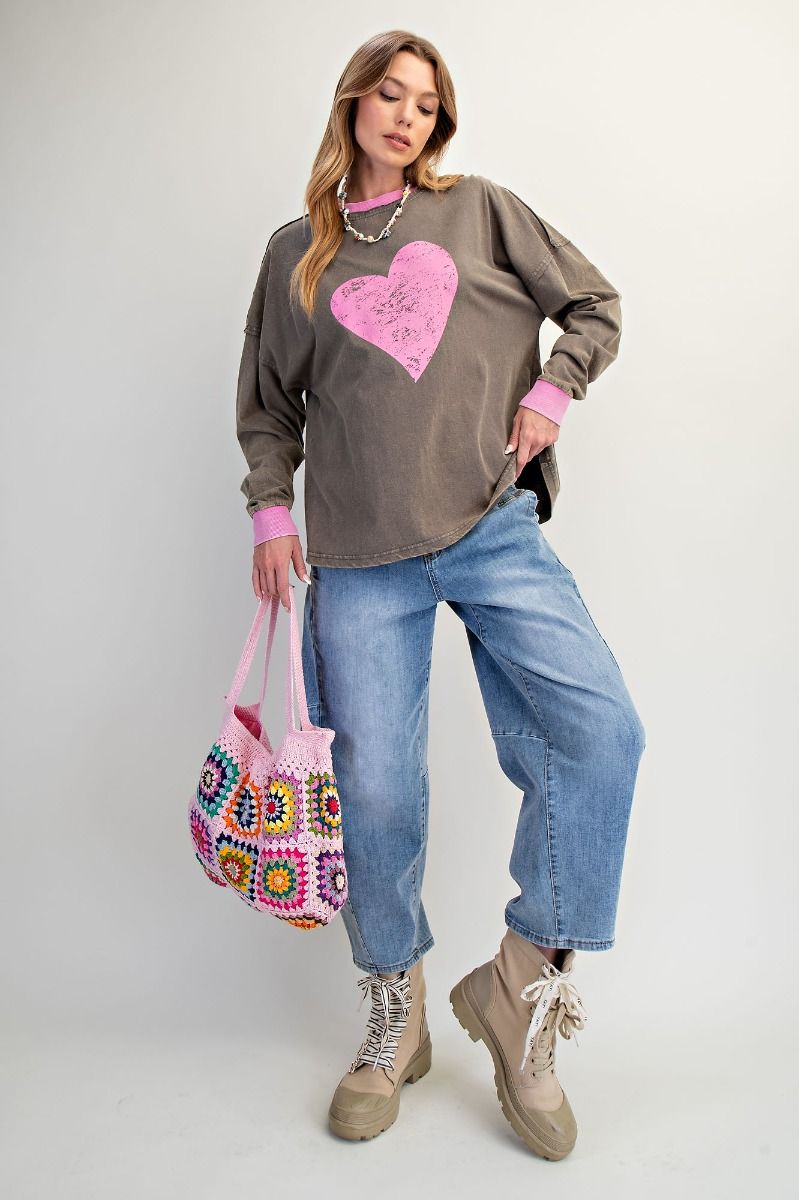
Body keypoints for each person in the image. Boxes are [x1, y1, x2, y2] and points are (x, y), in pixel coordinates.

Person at [235, 28, 646, 1160]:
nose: (408, 116)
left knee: (600, 732)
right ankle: (395, 1009)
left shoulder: (481, 213)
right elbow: (268, 405)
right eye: (390, 94)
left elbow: (594, 306)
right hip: (358, 556)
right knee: (374, 791)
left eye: (427, 102)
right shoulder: (296, 255)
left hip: (490, 526)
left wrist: (551, 394)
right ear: (352, 105)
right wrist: (271, 512)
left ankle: (519, 984)